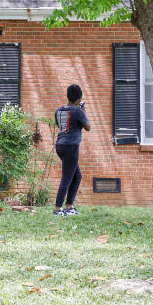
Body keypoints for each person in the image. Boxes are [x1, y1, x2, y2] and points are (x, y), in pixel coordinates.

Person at [53, 84, 91, 217]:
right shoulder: (78, 111)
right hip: (71, 146)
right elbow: (88, 127)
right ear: (78, 100)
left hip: (60, 145)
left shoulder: (59, 110)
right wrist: (83, 109)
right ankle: (58, 209)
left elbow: (61, 125)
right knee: (67, 177)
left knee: (76, 176)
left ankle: (69, 206)